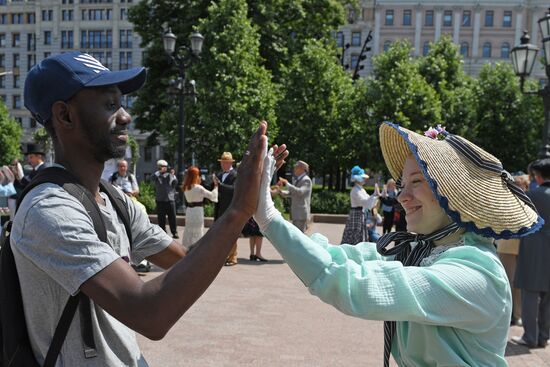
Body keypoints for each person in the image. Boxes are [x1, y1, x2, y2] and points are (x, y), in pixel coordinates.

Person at [14, 51, 286, 366]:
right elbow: (150, 312)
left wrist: (246, 199)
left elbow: (184, 263)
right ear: (65, 116)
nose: (126, 117)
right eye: (109, 105)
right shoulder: (50, 210)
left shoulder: (113, 199)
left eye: (122, 104)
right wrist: (238, 209)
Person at [253, 122, 542, 366]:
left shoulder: (478, 274)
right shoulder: (420, 250)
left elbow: (350, 283)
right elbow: (338, 258)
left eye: (416, 182)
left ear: (455, 194)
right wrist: (268, 213)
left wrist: (267, 217)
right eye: (403, 184)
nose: (402, 196)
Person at [513, 158, 550, 349]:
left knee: (529, 294)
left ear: (537, 175)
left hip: (534, 247)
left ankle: (530, 336)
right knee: (547, 296)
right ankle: (544, 336)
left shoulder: (532, 195)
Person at [496, 174, 530, 327]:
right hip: (507, 246)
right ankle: (508, 314)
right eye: (517, 185)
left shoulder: (529, 202)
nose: (520, 188)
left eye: (522, 185)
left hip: (524, 247)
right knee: (508, 282)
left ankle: (518, 314)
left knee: (520, 284)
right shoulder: (504, 201)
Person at [340, 165, 379, 245]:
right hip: (356, 214)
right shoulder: (355, 190)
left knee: (359, 234)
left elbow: (369, 202)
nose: (365, 179)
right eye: (363, 178)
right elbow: (365, 202)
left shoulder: (361, 189)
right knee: (354, 235)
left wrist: (376, 195)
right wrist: (374, 195)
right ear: (358, 178)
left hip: (360, 214)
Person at [182, 166, 218, 250]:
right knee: (198, 230)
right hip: (198, 211)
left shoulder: (186, 187)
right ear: (195, 176)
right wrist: (216, 186)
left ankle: (186, 248)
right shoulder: (199, 188)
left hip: (189, 211)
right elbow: (212, 196)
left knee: (189, 230)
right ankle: (197, 249)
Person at [213, 152, 238, 266]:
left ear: (230, 163)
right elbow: (214, 188)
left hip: (229, 209)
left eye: (225, 162)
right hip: (219, 208)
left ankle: (233, 257)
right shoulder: (219, 174)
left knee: (230, 234)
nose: (222, 165)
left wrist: (220, 185)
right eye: (222, 162)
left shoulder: (235, 174)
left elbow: (234, 190)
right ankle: (223, 256)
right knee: (220, 234)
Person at [276, 160, 312, 232]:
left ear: (301, 168)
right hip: (297, 214)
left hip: (300, 214)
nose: (294, 169)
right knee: (297, 237)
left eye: (296, 167)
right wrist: (279, 191)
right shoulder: (299, 179)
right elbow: (293, 193)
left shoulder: (306, 180)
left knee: (299, 238)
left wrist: (287, 183)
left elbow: (300, 192)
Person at [153, 159, 179, 239]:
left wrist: (172, 175)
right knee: (161, 218)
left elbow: (175, 183)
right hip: (160, 200)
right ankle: (163, 232)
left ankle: (174, 232)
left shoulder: (169, 175)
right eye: (161, 167)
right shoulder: (156, 175)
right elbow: (152, 178)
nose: (163, 168)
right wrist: (159, 172)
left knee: (172, 217)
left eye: (164, 167)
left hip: (170, 200)